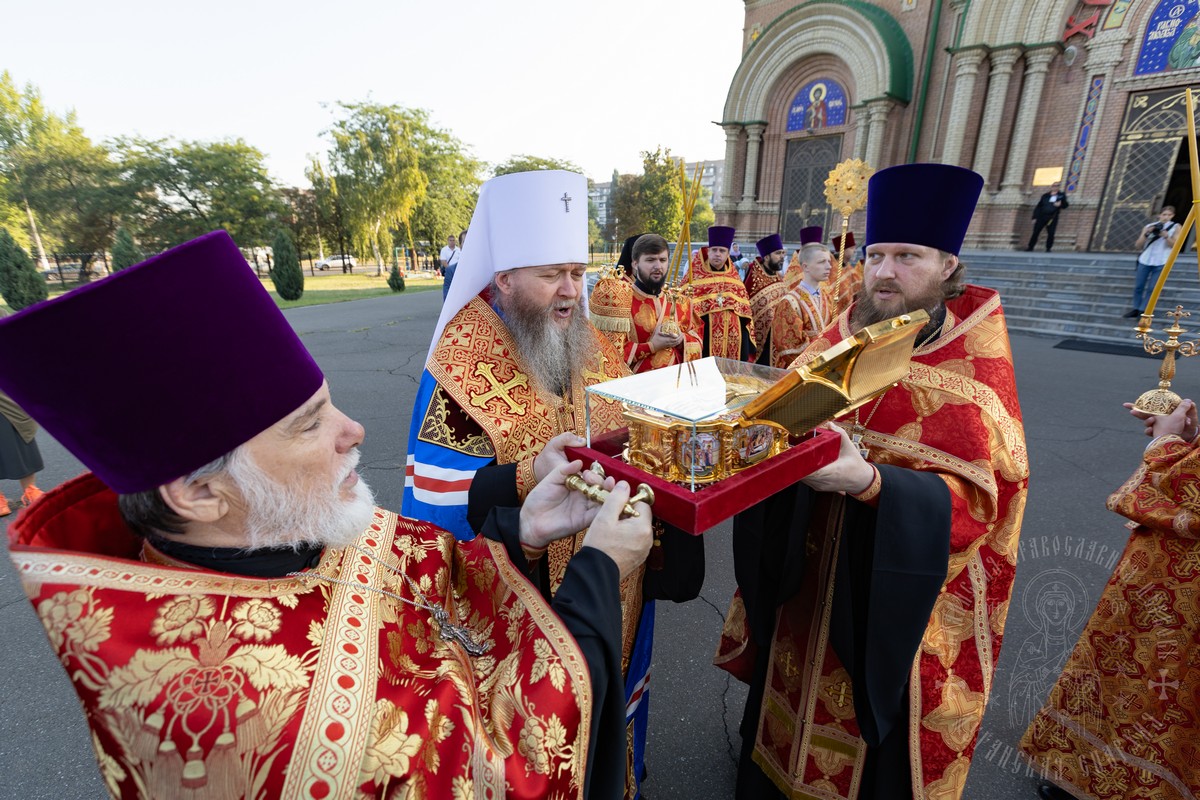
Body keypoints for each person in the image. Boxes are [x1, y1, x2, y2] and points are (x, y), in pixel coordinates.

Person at [0, 230, 650, 799]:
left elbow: (431, 578)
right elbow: (514, 778)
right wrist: (595, 576)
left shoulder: (283, 524)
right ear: (197, 493)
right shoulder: (249, 718)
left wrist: (521, 529)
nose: (356, 429)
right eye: (310, 425)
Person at [715, 163, 1028, 800]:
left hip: (893, 596)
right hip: (809, 569)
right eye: (877, 253)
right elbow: (775, 412)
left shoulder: (976, 369)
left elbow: (983, 503)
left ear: (947, 264)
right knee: (788, 697)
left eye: (907, 256)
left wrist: (871, 483)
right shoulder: (841, 332)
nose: (884, 271)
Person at [403, 171, 703, 799]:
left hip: (618, 582)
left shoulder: (589, 337)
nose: (572, 291)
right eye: (552, 275)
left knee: (618, 722)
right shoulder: (459, 363)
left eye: (577, 270)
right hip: (531, 605)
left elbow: (632, 429)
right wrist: (523, 476)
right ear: (504, 277)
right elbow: (433, 505)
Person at [1019, 397, 1200, 800]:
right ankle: (1094, 772)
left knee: (1156, 678)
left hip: (1182, 582)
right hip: (1170, 571)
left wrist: (1166, 444)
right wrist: (1191, 438)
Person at [618, 234, 702, 374]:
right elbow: (611, 353)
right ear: (635, 264)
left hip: (675, 385)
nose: (658, 266)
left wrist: (682, 339)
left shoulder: (682, 302)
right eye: (650, 260)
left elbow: (698, 339)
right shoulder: (621, 302)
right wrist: (652, 346)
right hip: (635, 388)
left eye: (663, 260)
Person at [686, 225, 755, 359]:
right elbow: (684, 311)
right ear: (708, 251)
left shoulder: (735, 281)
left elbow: (744, 314)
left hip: (734, 344)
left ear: (728, 254)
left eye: (722, 251)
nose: (718, 254)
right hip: (704, 341)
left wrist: (746, 348)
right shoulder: (694, 277)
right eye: (714, 250)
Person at [767, 242, 832, 368]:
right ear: (806, 267)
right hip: (798, 372)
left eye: (829, 261)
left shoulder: (826, 297)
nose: (829, 266)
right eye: (822, 262)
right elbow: (789, 347)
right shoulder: (790, 302)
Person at [1124, 206, 1181, 318]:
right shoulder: (1149, 226)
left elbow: (1175, 245)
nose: (1166, 217)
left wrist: (1166, 236)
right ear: (1159, 215)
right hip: (1145, 260)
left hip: (1162, 261)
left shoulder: (1176, 227)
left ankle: (1143, 310)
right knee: (1139, 286)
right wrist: (1146, 234)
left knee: (1152, 288)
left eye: (1169, 215)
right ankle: (1136, 308)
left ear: (1172, 216)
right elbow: (1138, 245)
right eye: (1164, 214)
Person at [743, 233, 789, 367]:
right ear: (766, 256)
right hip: (760, 347)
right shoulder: (753, 280)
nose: (782, 257)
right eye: (778, 253)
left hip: (778, 341)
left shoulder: (778, 278)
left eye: (782, 253)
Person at [1027, 185, 1069, 252]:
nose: (1055, 187)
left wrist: (1060, 205)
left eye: (1057, 186)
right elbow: (1039, 206)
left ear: (1058, 187)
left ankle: (1048, 248)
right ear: (1051, 187)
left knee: (1051, 233)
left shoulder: (1061, 195)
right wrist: (1034, 217)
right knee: (1036, 232)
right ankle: (1030, 247)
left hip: (1052, 217)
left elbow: (1065, 205)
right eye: (1054, 186)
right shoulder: (1045, 195)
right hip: (1041, 216)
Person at [439, 233, 461, 298]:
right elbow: (443, 261)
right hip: (449, 271)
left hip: (458, 271)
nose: (452, 242)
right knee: (448, 288)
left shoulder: (458, 250)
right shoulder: (444, 250)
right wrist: (450, 270)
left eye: (453, 240)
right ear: (448, 241)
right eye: (450, 240)